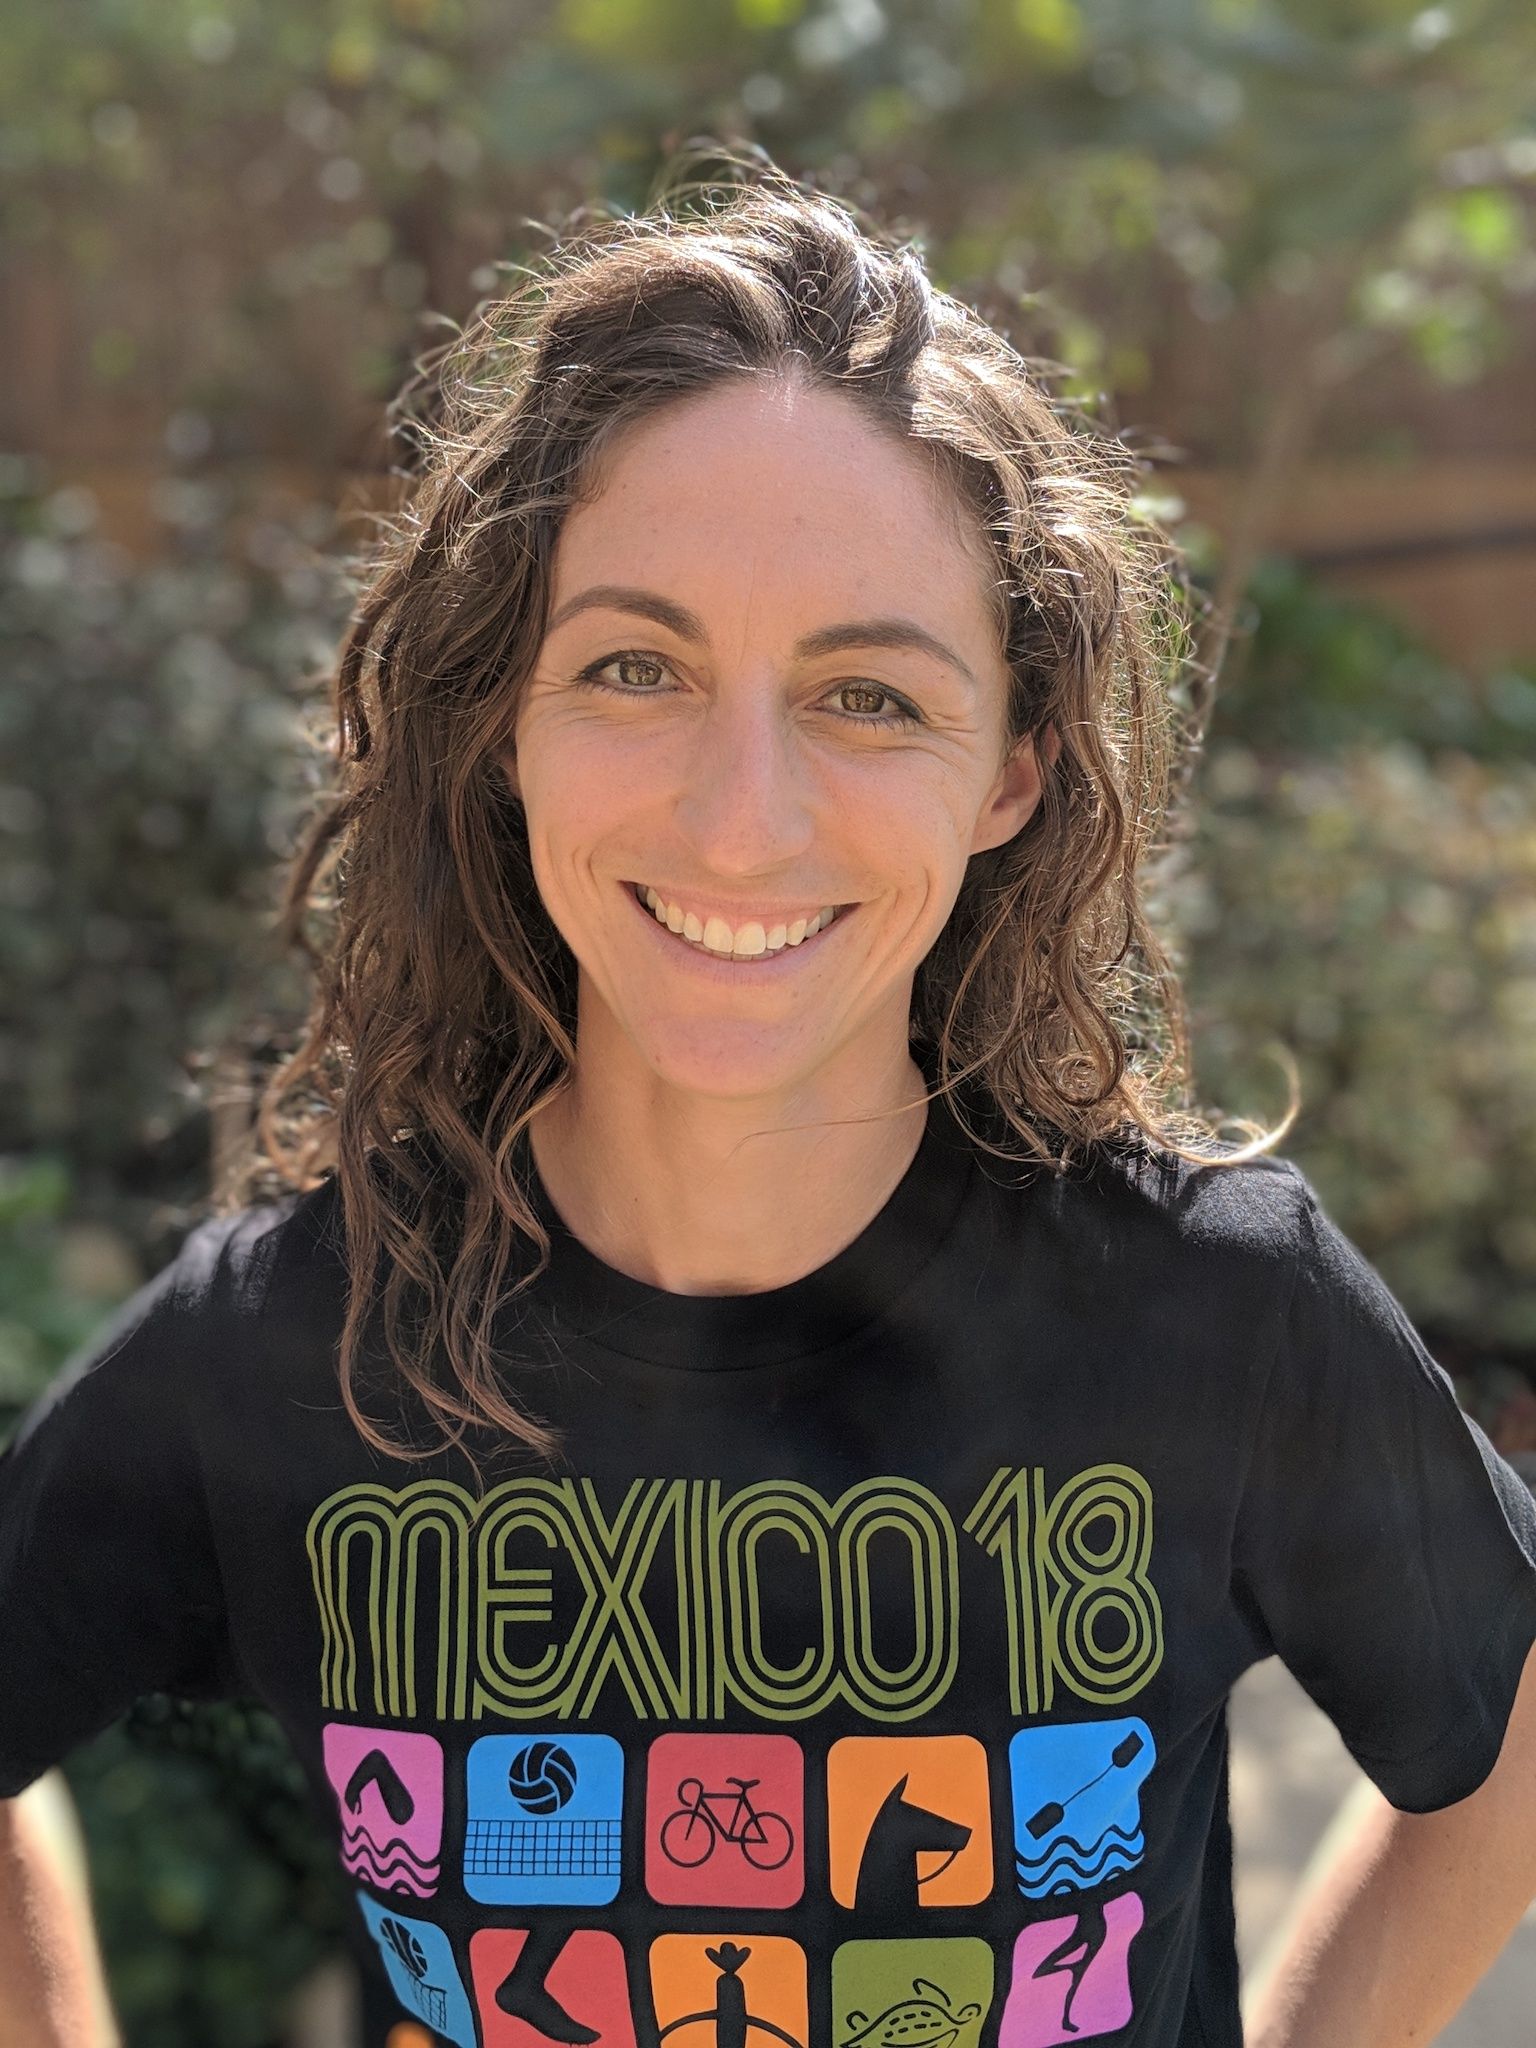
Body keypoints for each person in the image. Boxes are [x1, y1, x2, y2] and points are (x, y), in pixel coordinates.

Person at [3, 145, 1535, 2048]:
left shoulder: (1221, 1313)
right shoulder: (289, 1346)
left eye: (868, 696)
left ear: (1012, 774)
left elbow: (1512, 1743)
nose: (743, 817)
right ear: (509, 729)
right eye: (635, 666)